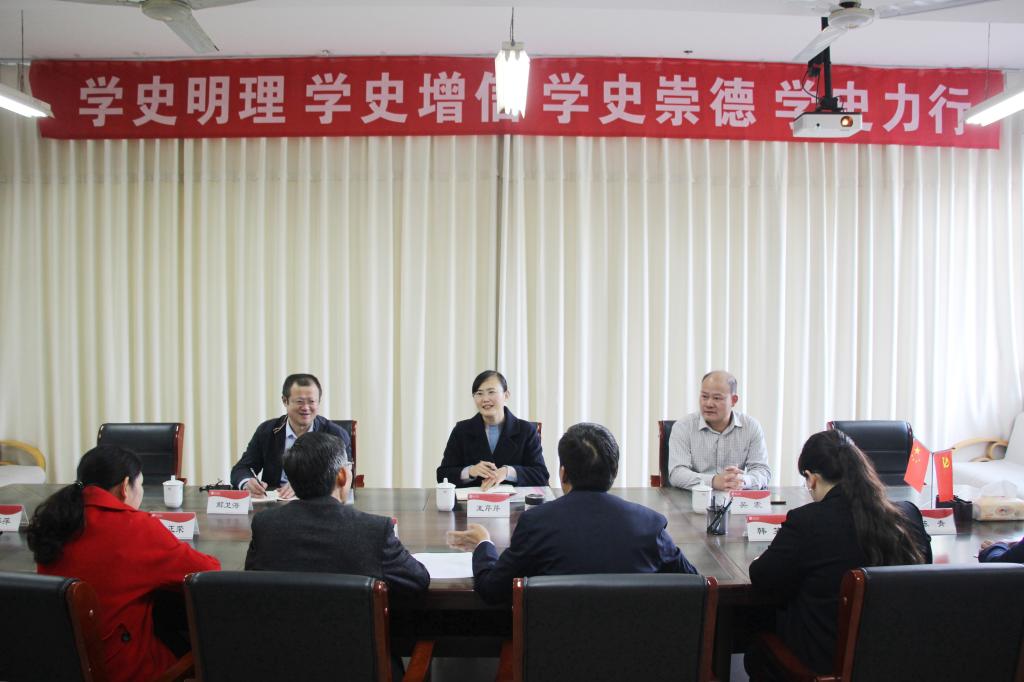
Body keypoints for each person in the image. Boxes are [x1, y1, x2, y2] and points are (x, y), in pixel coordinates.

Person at [746, 430, 931, 678]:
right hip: (897, 663)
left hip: (825, 668)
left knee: (756, 648)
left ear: (812, 478)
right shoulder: (908, 515)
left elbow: (762, 578)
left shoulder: (807, 521)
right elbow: (924, 570)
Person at [446, 422, 698, 604]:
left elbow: (492, 590)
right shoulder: (649, 525)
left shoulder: (536, 523)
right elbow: (695, 584)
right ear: (614, 471)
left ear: (563, 473)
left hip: (552, 655)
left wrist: (484, 545)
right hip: (636, 654)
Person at [27, 445, 220, 682]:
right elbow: (208, 574)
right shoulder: (135, 527)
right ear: (125, 487)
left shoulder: (56, 520)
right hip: (123, 671)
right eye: (141, 485)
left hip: (60, 666)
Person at [245, 431, 429, 597]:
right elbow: (418, 580)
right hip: (354, 626)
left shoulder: (265, 525)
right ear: (341, 475)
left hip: (284, 624)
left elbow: (252, 583)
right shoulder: (375, 531)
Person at [230, 373, 351, 499]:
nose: (306, 408)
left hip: (317, 503)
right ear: (285, 401)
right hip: (275, 503)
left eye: (311, 402)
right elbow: (241, 468)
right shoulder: (267, 431)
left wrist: (302, 486)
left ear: (319, 402)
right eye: (299, 401)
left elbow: (344, 476)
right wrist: (247, 482)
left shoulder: (335, 434)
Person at [436, 370, 548, 489]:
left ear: (506, 395)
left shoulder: (526, 430)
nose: (485, 399)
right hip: (472, 500)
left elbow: (541, 475)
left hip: (515, 500)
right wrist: (470, 471)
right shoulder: (461, 430)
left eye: (491, 392)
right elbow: (442, 475)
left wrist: (508, 472)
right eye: (479, 393)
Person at [668, 370, 771, 490]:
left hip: (735, 498)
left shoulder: (751, 427)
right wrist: (713, 481)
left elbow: (762, 470)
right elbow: (677, 473)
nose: (709, 404)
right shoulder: (683, 427)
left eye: (717, 398)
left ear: (734, 400)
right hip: (693, 497)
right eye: (704, 396)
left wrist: (742, 481)